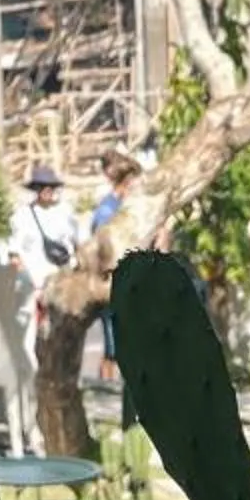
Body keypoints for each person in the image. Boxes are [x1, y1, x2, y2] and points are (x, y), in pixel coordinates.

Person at [86, 151, 140, 378]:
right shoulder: (109, 209)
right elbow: (101, 241)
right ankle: (107, 382)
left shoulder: (128, 207)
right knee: (113, 343)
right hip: (113, 280)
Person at [9, 164, 80, 303]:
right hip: (35, 285)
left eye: (50, 186)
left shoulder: (65, 211)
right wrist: (28, 283)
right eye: (42, 186)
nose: (47, 189)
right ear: (36, 188)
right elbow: (14, 254)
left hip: (62, 280)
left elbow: (77, 244)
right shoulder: (22, 215)